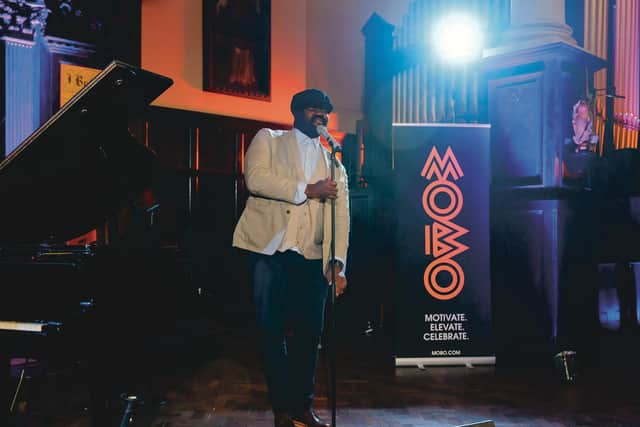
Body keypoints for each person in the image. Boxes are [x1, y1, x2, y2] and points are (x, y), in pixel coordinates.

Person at [232, 89, 350, 427]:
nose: (321, 116)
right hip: (269, 254)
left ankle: (303, 407)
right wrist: (308, 190)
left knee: (310, 337)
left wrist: (336, 261)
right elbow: (255, 179)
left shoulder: (333, 162)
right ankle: (281, 409)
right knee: (271, 333)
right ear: (297, 112)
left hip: (312, 258)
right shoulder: (269, 139)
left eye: (326, 111)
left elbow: (341, 216)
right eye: (314, 109)